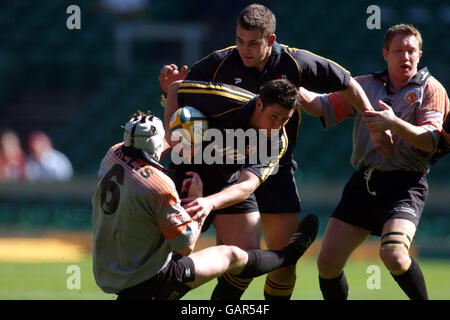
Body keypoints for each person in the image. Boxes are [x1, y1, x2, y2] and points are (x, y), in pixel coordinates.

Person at [158, 3, 391, 300]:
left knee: (282, 266)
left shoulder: (296, 63)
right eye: (240, 40)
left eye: (253, 43)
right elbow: (180, 91)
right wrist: (172, 128)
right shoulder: (218, 65)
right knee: (235, 259)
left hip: (274, 165)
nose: (245, 49)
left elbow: (347, 83)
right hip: (220, 165)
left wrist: (374, 124)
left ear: (270, 40)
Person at [92, 110, 319, 300]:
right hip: (149, 280)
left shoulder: (112, 154)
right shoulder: (159, 185)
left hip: (108, 270)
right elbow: (185, 246)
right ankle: (289, 254)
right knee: (230, 255)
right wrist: (198, 200)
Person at [298, 24, 449, 300]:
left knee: (393, 255)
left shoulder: (431, 89)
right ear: (385, 54)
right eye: (399, 50)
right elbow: (317, 105)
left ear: (420, 54)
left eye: (411, 51)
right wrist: (293, 86)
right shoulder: (365, 85)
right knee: (326, 264)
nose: (405, 56)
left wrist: (394, 123)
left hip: (405, 184)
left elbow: (430, 141)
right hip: (364, 183)